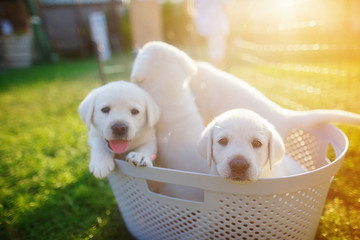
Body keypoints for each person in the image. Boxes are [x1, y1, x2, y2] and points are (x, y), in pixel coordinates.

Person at [193, 0, 231, 68]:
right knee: (216, 55)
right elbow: (228, 7)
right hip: (217, 26)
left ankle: (202, 73)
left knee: (206, 55)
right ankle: (212, 75)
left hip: (200, 25)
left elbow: (187, 7)